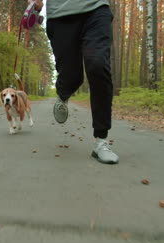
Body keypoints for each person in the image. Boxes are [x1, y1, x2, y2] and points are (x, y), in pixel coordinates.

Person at [32, 0, 119, 164]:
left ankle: (101, 141)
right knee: (72, 76)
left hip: (96, 8)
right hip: (61, 13)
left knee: (98, 64)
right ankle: (63, 93)